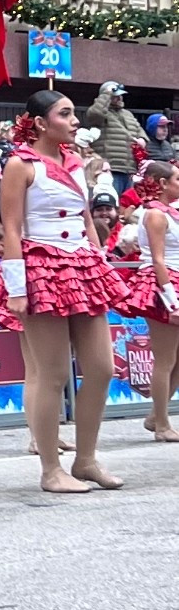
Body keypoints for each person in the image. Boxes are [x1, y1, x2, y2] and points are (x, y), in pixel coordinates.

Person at [0, 90, 127, 495]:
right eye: (66, 114)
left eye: (74, 114)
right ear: (41, 123)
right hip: (40, 268)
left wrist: (99, 261)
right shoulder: (20, 164)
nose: (75, 121)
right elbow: (11, 229)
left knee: (102, 368)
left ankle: (86, 460)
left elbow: (85, 218)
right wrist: (16, 288)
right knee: (53, 374)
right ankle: (50, 469)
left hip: (82, 265)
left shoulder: (76, 162)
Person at [123, 163, 179, 443]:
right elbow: (158, 260)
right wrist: (171, 300)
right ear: (163, 183)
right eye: (178, 179)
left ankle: (156, 416)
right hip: (163, 284)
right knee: (165, 358)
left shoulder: (169, 212)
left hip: (173, 279)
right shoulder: (155, 214)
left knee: (176, 358)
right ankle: (162, 425)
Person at [85, 81, 142, 196]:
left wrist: (142, 139)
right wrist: (107, 94)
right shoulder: (99, 113)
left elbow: (138, 129)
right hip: (110, 168)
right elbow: (96, 113)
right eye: (115, 95)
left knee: (127, 203)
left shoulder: (128, 114)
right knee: (111, 201)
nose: (119, 98)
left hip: (129, 169)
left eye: (120, 95)